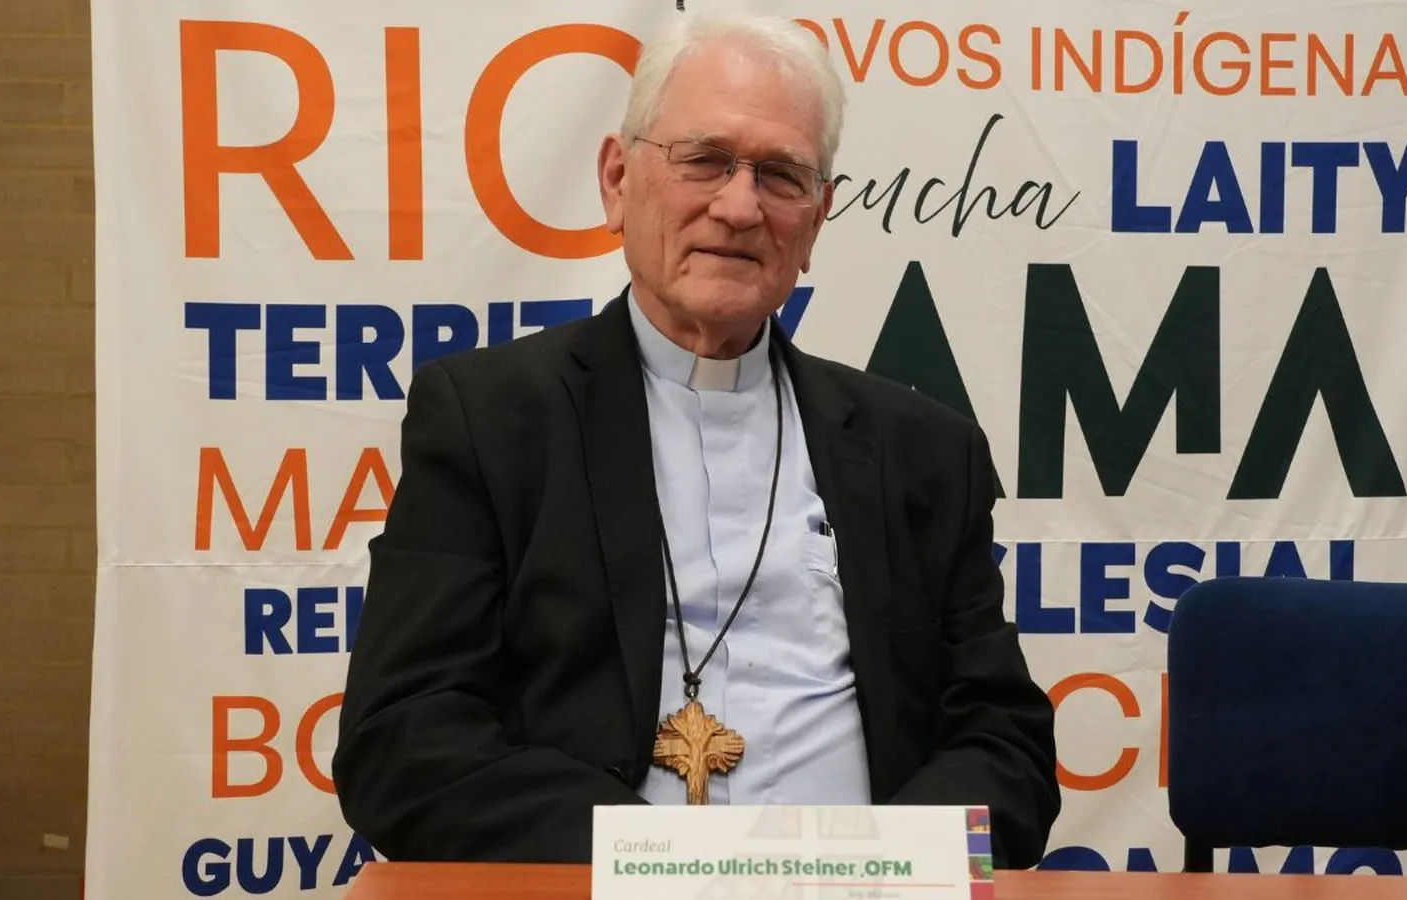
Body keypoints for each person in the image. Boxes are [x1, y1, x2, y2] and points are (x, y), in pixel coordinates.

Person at [332, 10, 1060, 869]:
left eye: (781, 175)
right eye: (705, 160)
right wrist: (664, 862)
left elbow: (1008, 751)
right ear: (617, 180)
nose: (740, 207)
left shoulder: (924, 451)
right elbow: (402, 742)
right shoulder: (491, 421)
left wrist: (882, 866)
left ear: (817, 219)